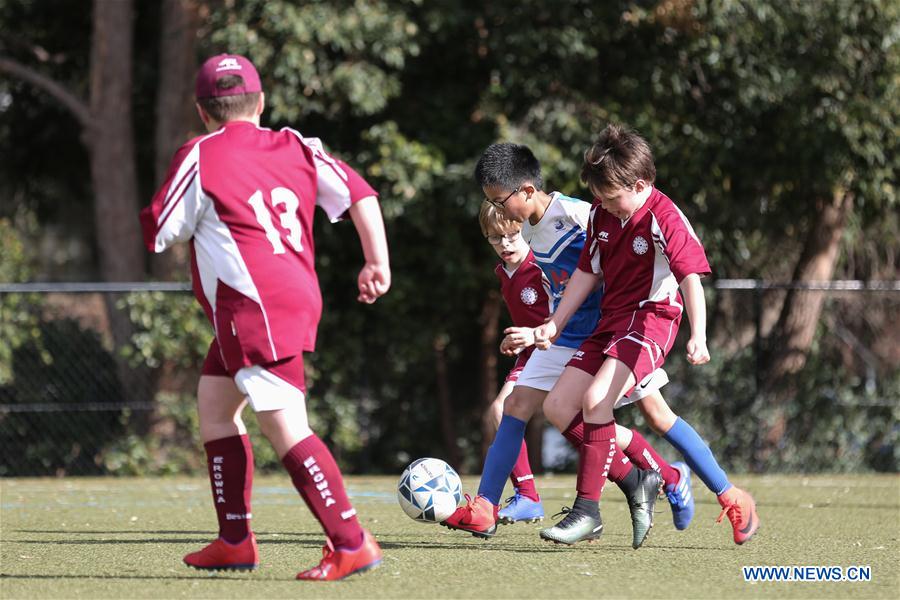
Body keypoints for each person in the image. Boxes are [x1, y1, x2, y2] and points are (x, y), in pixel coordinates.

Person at [139, 53, 391, 580]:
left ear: (203, 111)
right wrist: (375, 261)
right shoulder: (296, 144)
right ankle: (235, 539)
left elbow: (162, 228)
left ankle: (351, 541)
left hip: (252, 308)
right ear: (261, 102)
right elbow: (361, 193)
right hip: (284, 298)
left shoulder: (202, 153)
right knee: (214, 407)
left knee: (286, 428)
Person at [535, 124, 759, 546]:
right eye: (600, 198)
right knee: (560, 407)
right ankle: (657, 479)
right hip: (612, 323)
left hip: (650, 321)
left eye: (612, 198)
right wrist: (555, 323)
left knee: (597, 400)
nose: (605, 205)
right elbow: (588, 271)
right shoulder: (603, 214)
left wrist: (700, 336)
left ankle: (588, 512)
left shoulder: (664, 216)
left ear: (640, 184)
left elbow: (690, 276)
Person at [443, 145, 673, 549]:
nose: (498, 210)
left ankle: (669, 480)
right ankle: (485, 508)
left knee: (652, 414)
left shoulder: (576, 214)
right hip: (562, 333)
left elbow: (604, 261)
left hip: (602, 332)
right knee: (513, 407)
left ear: (527, 191)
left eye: (500, 200)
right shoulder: (526, 228)